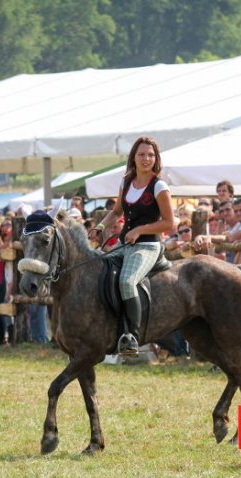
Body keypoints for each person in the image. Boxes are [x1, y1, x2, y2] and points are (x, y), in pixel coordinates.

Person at [88, 136, 176, 356]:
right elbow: (117, 211)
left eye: (150, 155)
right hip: (124, 243)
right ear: (133, 158)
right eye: (141, 154)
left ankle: (132, 338)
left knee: (127, 281)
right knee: (99, 273)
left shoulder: (159, 186)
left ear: (155, 159)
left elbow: (170, 223)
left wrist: (139, 230)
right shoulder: (126, 181)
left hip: (147, 246)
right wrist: (100, 225)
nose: (146, 159)